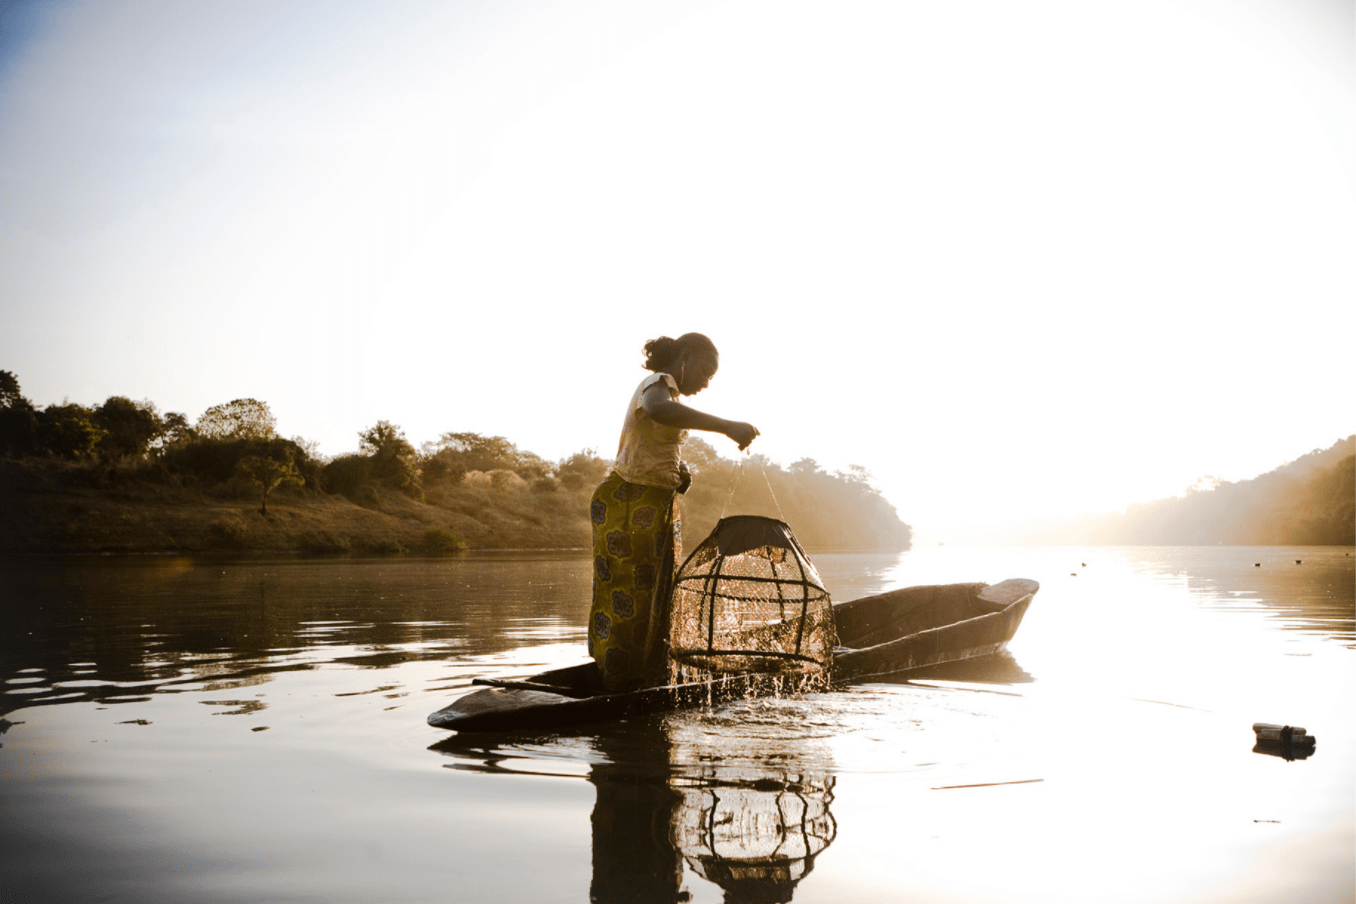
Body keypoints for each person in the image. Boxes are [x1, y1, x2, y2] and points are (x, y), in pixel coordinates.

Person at [588, 333, 758, 692]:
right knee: (630, 594)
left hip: (655, 504)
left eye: (712, 377)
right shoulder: (658, 384)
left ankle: (644, 674)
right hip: (629, 502)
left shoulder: (672, 394)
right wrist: (727, 426)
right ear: (684, 355)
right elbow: (657, 411)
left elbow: (652, 444)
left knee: (658, 595)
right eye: (704, 371)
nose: (706, 382)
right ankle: (617, 679)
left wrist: (678, 472)